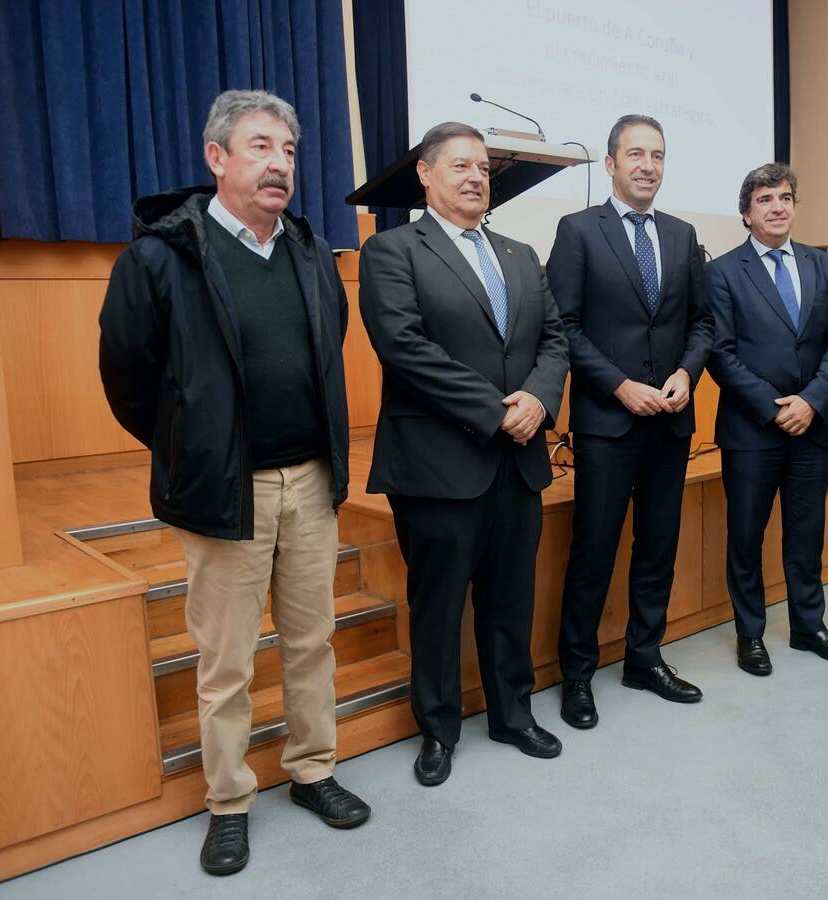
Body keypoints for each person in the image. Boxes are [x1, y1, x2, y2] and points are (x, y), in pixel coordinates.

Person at [98, 90, 370, 877]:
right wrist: (191, 446)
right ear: (216, 158)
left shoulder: (313, 253)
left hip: (311, 482)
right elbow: (128, 375)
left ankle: (313, 769)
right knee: (226, 660)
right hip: (227, 492)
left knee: (312, 639)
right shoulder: (162, 257)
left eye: (287, 149)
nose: (279, 162)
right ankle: (229, 801)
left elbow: (328, 349)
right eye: (259, 147)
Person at [358, 122, 569, 785]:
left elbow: (555, 339)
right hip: (436, 464)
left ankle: (512, 713)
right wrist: (495, 412)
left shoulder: (518, 251)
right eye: (461, 166)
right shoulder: (392, 251)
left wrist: (536, 400)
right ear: (425, 174)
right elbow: (404, 346)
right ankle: (439, 729)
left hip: (519, 458)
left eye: (483, 168)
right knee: (439, 605)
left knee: (510, 599)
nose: (477, 177)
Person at [549, 114, 714, 730]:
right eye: (636, 154)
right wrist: (620, 386)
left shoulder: (682, 234)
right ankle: (577, 675)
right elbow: (562, 326)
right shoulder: (577, 231)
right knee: (594, 549)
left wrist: (687, 374)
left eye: (659, 155)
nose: (648, 165)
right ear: (612, 164)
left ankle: (645, 657)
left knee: (658, 547)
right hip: (606, 422)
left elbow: (702, 322)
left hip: (670, 420)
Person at [705, 163, 828, 676]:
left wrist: (811, 402)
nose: (777, 206)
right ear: (746, 213)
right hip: (752, 430)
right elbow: (721, 355)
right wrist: (776, 407)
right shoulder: (722, 272)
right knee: (746, 537)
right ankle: (750, 633)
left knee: (806, 531)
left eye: (785, 197)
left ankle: (808, 626)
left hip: (811, 426)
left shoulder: (821, 265)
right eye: (765, 199)